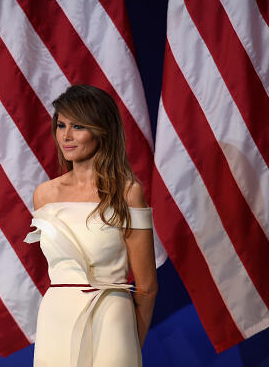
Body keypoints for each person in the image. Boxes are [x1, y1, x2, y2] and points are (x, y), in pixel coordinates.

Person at [25, 85, 158, 367]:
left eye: (78, 126)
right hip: (56, 320)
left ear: (102, 130)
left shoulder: (128, 192)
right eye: (61, 125)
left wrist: (131, 340)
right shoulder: (44, 195)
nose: (66, 136)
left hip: (112, 316)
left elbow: (146, 287)